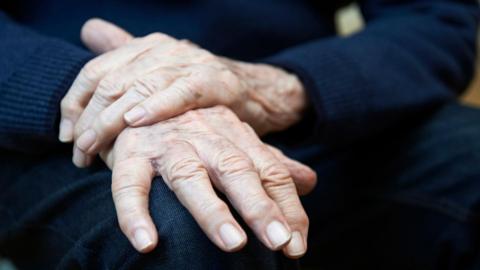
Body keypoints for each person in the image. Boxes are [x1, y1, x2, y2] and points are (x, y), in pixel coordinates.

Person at [0, 0, 479, 269]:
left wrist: (270, 88)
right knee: (183, 232)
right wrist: (109, 94)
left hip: (299, 111)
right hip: (52, 132)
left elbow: (435, 17)